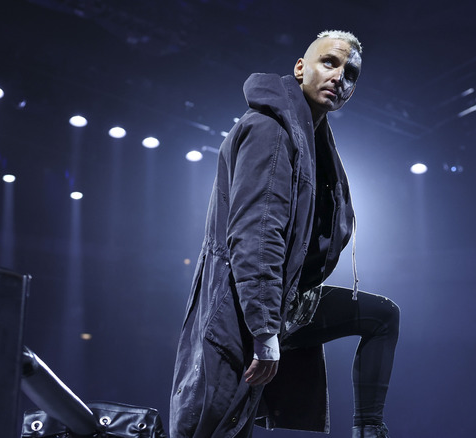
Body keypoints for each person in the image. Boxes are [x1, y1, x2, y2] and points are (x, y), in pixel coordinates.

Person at [169, 30, 400, 438]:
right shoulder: (271, 129)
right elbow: (257, 235)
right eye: (329, 63)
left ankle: (369, 429)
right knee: (211, 427)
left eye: (350, 74)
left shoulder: (309, 136)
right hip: (239, 309)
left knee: (381, 316)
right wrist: (264, 332)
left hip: (280, 302)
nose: (339, 78)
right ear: (300, 68)